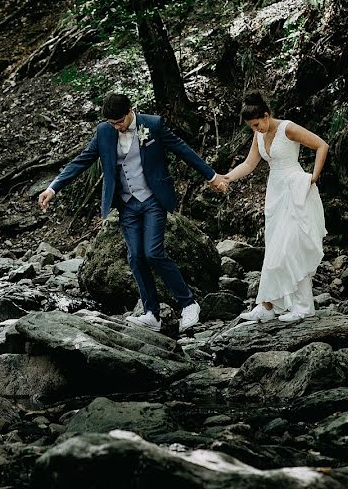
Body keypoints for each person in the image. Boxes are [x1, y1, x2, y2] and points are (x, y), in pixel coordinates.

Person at [38, 93, 229, 333]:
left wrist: (211, 176)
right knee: (135, 256)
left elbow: (182, 149)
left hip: (152, 198)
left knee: (153, 252)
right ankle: (152, 314)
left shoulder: (153, 125)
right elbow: (81, 161)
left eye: (120, 121)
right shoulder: (104, 132)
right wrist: (52, 188)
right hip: (126, 204)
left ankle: (189, 304)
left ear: (131, 110)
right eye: (112, 123)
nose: (117, 127)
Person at [225, 92, 329, 322]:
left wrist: (313, 177)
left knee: (291, 246)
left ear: (266, 115)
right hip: (275, 193)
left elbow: (321, 145)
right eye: (251, 127)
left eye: (257, 124)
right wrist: (228, 177)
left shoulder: (288, 128)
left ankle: (304, 307)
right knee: (274, 248)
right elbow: (249, 163)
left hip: (295, 189)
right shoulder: (259, 135)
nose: (256, 129)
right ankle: (268, 305)